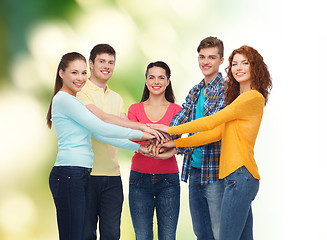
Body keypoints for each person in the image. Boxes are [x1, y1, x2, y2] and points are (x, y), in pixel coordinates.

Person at [149, 45, 273, 239]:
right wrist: (176, 145)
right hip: (236, 177)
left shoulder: (252, 98)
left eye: (245, 63)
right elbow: (214, 133)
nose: (238, 67)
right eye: (235, 64)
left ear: (254, 67)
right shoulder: (238, 100)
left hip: (241, 175)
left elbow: (211, 121)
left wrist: (170, 130)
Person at [46, 52, 152, 240]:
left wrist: (139, 147)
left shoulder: (74, 101)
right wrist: (143, 134)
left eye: (83, 73)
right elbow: (101, 126)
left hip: (77, 174)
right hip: (69, 174)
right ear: (61, 73)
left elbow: (98, 134)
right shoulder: (64, 100)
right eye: (74, 73)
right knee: (74, 235)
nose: (80, 78)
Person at [76, 44, 165, 240]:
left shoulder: (116, 98)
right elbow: (101, 122)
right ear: (90, 64)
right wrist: (143, 130)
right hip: (86, 174)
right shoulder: (80, 93)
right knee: (84, 233)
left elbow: (126, 130)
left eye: (111, 62)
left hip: (112, 177)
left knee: (112, 235)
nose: (107, 66)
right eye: (102, 61)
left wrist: (154, 137)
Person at [148, 37, 226, 239]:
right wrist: (157, 135)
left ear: (221, 60)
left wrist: (175, 146)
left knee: (220, 232)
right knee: (201, 232)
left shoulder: (225, 91)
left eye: (211, 57)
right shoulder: (196, 90)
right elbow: (179, 122)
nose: (205, 61)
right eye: (202, 57)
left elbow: (210, 132)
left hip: (215, 171)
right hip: (195, 170)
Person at [127, 61, 182, 240]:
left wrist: (146, 134)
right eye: (151, 77)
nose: (156, 81)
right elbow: (132, 136)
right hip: (138, 180)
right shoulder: (134, 109)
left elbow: (177, 140)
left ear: (167, 81)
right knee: (142, 236)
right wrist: (160, 135)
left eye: (161, 77)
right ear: (146, 80)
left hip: (168, 181)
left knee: (168, 236)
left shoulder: (177, 110)